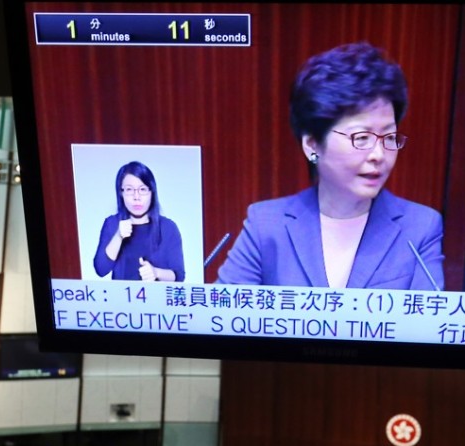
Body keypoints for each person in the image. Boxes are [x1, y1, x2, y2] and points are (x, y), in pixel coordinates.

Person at [217, 42, 444, 291]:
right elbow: (221, 317)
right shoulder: (266, 225)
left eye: (389, 137)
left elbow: (423, 324)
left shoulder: (420, 227)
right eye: (361, 138)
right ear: (313, 145)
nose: (379, 155)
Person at [93, 160, 185, 282]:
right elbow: (101, 269)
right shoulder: (112, 224)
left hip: (157, 299)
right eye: (129, 190)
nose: (136, 197)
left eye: (142, 189)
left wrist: (156, 272)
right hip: (121, 299)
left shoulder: (168, 227)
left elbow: (178, 275)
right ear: (121, 193)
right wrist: (118, 237)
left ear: (152, 192)